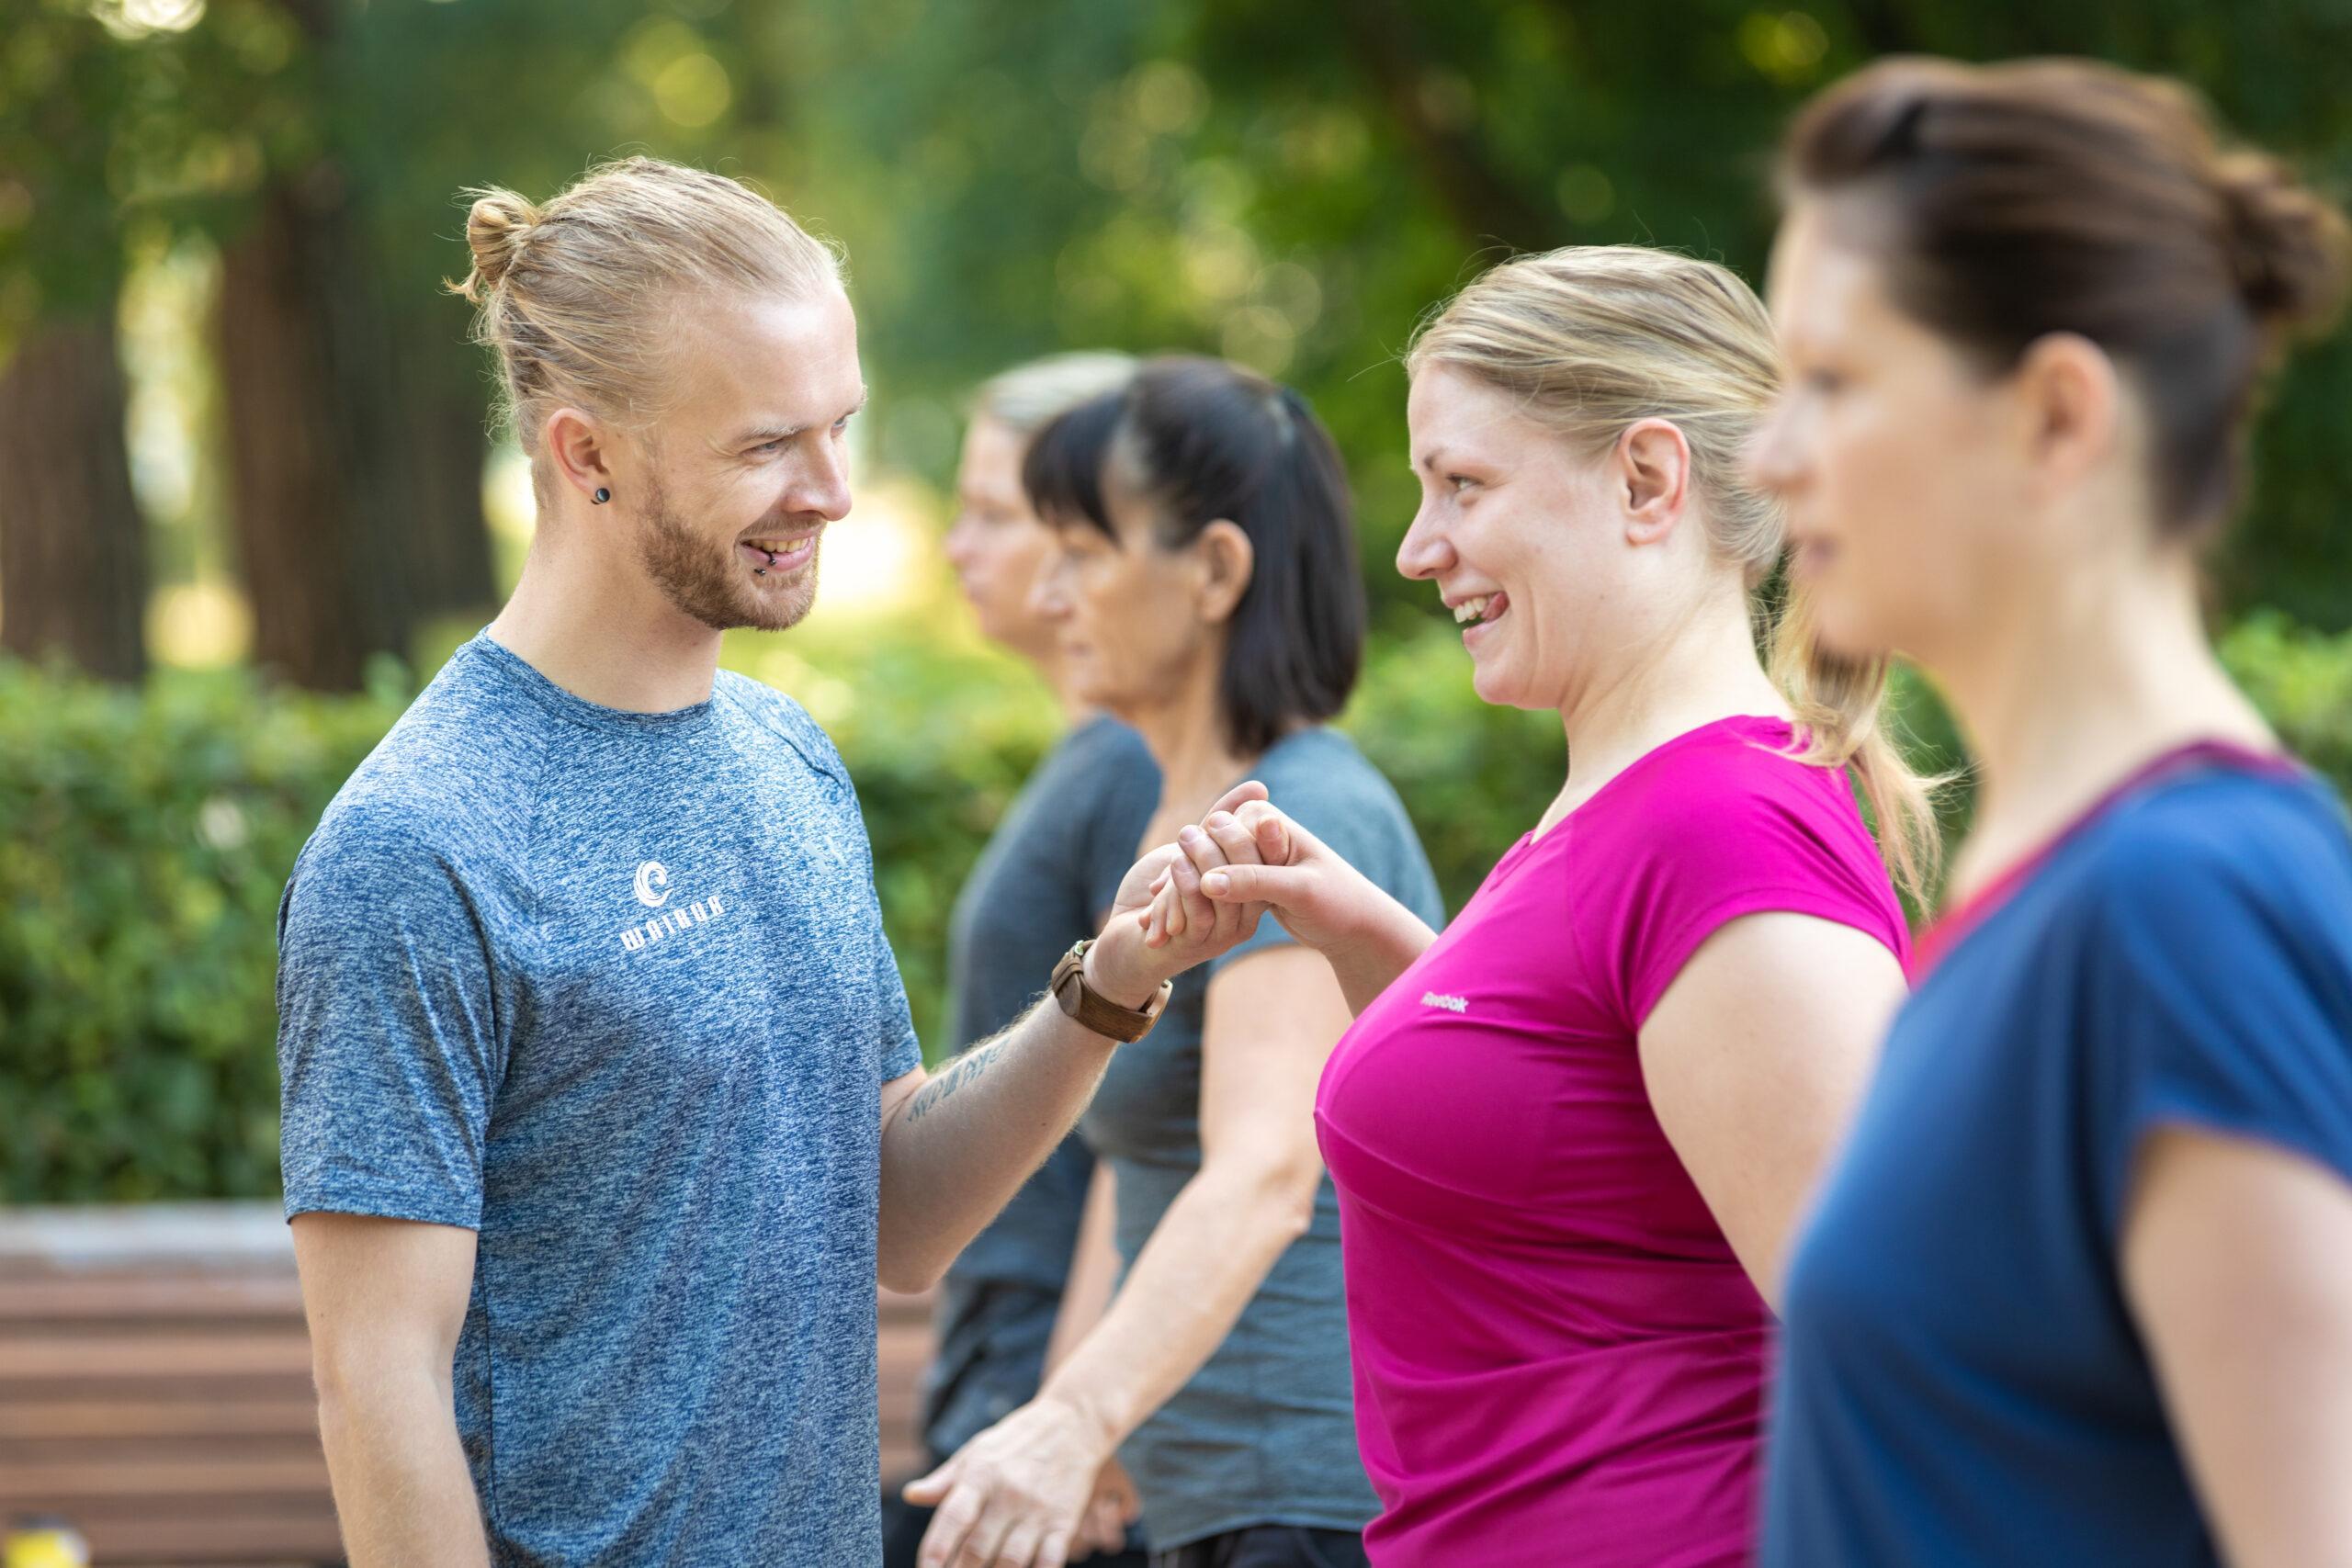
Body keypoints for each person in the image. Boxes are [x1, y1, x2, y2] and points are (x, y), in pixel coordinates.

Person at [274, 158, 1246, 1568]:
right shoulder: (414, 849)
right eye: (768, 446)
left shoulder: (789, 757)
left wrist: (1107, 987)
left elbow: (899, 1216)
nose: (834, 493)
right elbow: (377, 1380)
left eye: (841, 425)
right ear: (587, 455)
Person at [1164, 247, 1925, 1565]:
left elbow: (1914, 1354)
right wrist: (1382, 953)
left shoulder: (1719, 827)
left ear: (1647, 482)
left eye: (1463, 484)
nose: (1418, 550)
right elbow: (1582, 1153)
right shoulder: (1622, 811)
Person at [1747, 57, 2352, 1567]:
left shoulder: (2185, 905)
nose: (1769, 456)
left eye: (1832, 382)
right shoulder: (2064, 896)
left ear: (2058, 416)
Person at [905, 356, 1444, 1568]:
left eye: (1083, 553)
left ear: (1214, 571)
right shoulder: (1185, 819)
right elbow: (1137, 1153)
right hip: (1211, 1505)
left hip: (1301, 1506)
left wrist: (1075, 1419)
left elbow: (1263, 1171)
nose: (1053, 594)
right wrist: (1074, 1419)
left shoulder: (1291, 820)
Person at [881, 353, 1156, 1568]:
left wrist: (1077, 1412)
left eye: (992, 514)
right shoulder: (1093, 757)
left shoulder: (1134, 766)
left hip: (1050, 1407)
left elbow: (1157, 1115)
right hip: (1009, 1373)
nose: (958, 548)